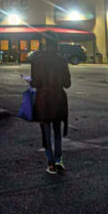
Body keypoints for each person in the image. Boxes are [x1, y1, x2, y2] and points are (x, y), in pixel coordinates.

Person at [30, 31, 72, 174]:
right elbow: (67, 84)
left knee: (46, 130)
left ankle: (50, 163)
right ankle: (59, 159)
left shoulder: (36, 59)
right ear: (57, 43)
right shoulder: (62, 60)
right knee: (57, 129)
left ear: (44, 42)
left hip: (43, 98)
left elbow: (34, 83)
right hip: (58, 97)